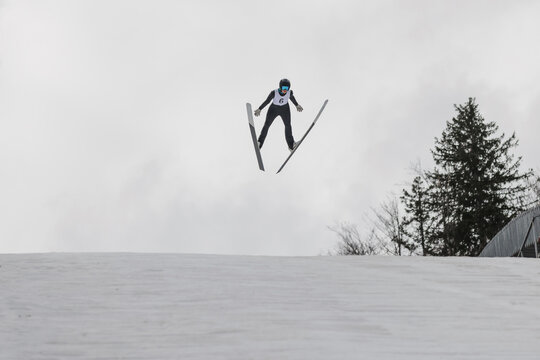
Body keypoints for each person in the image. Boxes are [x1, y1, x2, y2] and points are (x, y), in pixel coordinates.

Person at [254, 78, 303, 151]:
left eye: (287, 88)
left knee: (288, 125)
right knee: (267, 125)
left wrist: (297, 105)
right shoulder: (274, 92)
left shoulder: (289, 92)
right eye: (283, 88)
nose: (285, 90)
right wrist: (260, 109)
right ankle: (259, 143)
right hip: (274, 109)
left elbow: (292, 98)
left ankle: (291, 145)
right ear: (280, 87)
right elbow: (267, 101)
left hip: (285, 109)